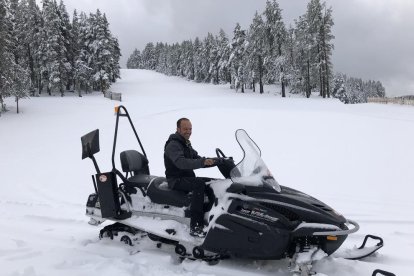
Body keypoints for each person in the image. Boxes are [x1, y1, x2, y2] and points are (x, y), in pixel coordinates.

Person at [164, 118, 216, 237]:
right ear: (178, 129)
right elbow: (181, 163)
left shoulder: (185, 143)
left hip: (186, 177)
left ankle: (211, 215)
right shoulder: (173, 145)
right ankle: (196, 226)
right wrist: (202, 162)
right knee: (199, 184)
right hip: (175, 180)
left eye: (190, 129)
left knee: (209, 182)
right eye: (185, 129)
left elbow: (196, 158)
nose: (188, 131)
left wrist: (215, 161)